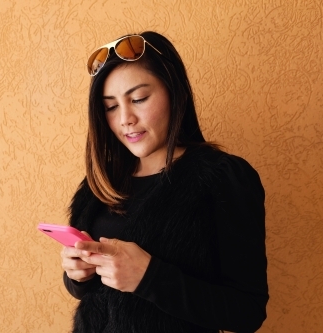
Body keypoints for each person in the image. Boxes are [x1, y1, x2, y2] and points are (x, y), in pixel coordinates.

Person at [60, 31, 269, 333]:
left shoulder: (223, 177)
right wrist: (78, 275)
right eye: (111, 106)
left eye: (139, 98)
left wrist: (150, 277)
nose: (125, 119)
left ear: (174, 92)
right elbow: (91, 296)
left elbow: (247, 312)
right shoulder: (102, 181)